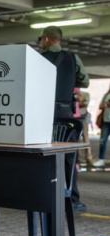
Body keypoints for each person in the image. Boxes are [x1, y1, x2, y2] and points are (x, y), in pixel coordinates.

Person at [39, 25, 90, 212]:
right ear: (58, 40)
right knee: (69, 155)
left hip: (42, 112)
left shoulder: (38, 59)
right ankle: (72, 199)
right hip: (64, 112)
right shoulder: (72, 58)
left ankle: (43, 194)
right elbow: (84, 81)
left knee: (41, 153)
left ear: (45, 39)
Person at [93, 87, 110, 167]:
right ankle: (101, 159)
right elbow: (100, 106)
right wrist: (104, 104)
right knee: (103, 141)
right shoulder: (107, 95)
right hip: (106, 121)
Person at [75, 88, 93, 166]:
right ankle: (78, 157)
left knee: (85, 137)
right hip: (75, 117)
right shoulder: (72, 92)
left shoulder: (85, 94)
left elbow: (85, 103)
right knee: (77, 138)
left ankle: (88, 156)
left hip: (83, 117)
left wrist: (77, 102)